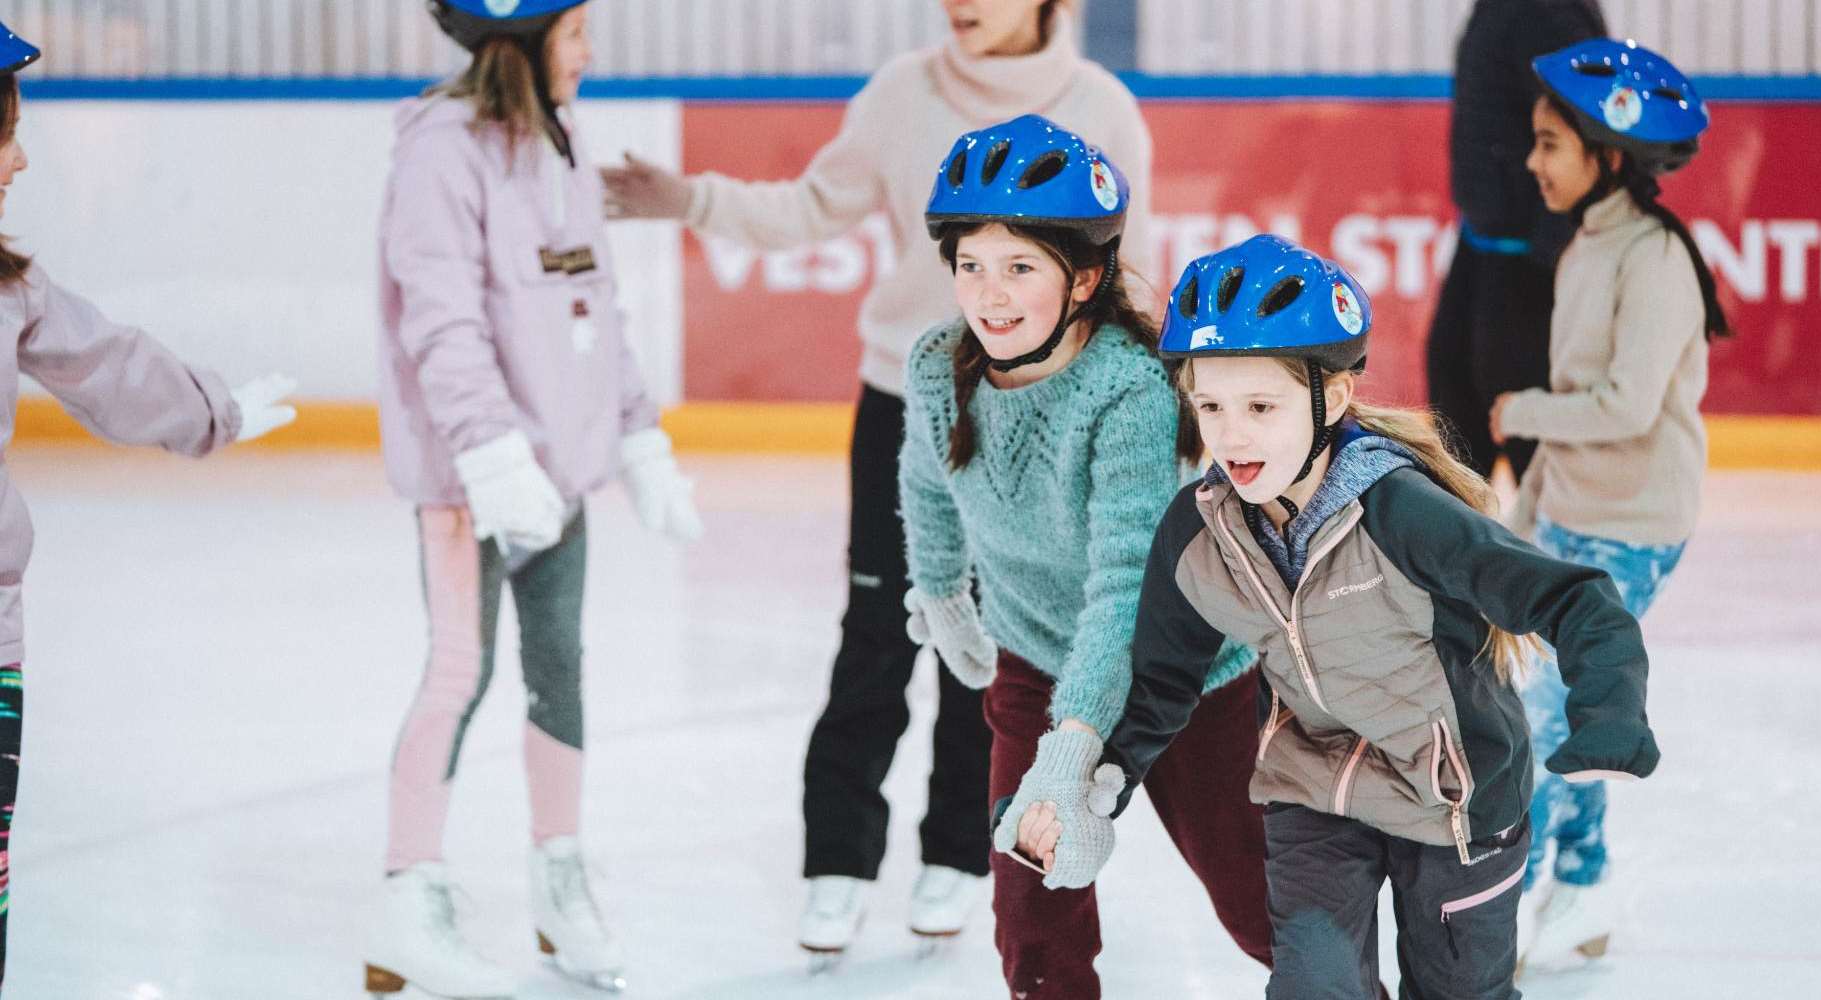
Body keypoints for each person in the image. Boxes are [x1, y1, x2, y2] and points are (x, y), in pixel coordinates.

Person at [601, 0, 1155, 954]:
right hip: (909, 397)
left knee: (1001, 638)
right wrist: (688, 199)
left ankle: (956, 851)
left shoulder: (1101, 107)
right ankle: (838, 860)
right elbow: (812, 206)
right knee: (876, 629)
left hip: (1035, 410)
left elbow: (1120, 268)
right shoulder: (905, 92)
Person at [1011, 235, 1660, 999]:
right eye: (1210, 405)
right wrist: (1096, 789)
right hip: (1314, 787)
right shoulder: (1198, 532)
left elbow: (1572, 597)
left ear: (1335, 398)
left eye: (1260, 406)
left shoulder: (1404, 514)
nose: (1232, 434)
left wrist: (1610, 704)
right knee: (1315, 988)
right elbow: (1160, 680)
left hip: (1457, 799)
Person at [368, 2, 700, 995]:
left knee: (562, 669)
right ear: (518, 38)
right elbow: (440, 319)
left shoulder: (560, 138)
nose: (590, 53)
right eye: (574, 33)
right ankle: (404, 896)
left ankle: (558, 880)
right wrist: (487, 453)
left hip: (560, 468)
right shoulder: (439, 154)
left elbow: (594, 296)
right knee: (455, 675)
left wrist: (636, 434)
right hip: (471, 480)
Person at [909, 116, 1270, 998]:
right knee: (1031, 922)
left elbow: (1122, 593)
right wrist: (941, 590)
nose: (990, 295)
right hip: (1034, 657)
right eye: (972, 266)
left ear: (1084, 278)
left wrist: (1069, 758)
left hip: (1184, 675)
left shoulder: (1129, 390)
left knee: (1255, 902)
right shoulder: (934, 365)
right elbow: (926, 483)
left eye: (1020, 267)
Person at [0, 20, 298, 986]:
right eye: (5, 130)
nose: (21, 156)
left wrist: (213, 411)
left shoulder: (11, 284)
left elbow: (105, 360)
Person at [1495, 37, 1728, 970]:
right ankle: (1581, 886)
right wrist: (1524, 520)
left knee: (1545, 719)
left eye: (1551, 143)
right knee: (1557, 712)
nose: (1531, 160)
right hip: (1575, 511)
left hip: (1632, 525)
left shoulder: (1656, 259)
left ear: (1611, 155)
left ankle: (1499, 910)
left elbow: (1626, 406)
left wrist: (1520, 410)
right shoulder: (1590, 243)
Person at [1426, 0, 1605, 479]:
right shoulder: (1500, 8)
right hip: (1483, 242)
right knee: (1454, 398)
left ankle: (1551, 544)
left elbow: (1587, 128)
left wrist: (1549, 257)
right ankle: (1454, 542)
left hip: (1527, 255)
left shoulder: (1549, 14)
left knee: (1518, 407)